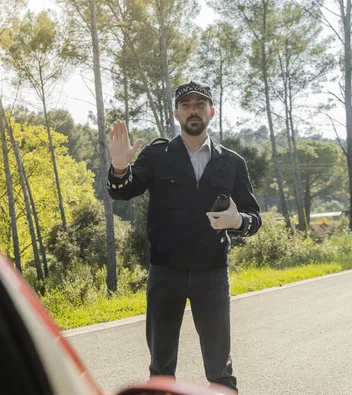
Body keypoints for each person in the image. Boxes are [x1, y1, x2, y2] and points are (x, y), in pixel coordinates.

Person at [106, 80, 262, 393]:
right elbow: (122, 193)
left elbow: (254, 218)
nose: (194, 110)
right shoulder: (157, 155)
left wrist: (237, 221)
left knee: (220, 370)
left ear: (211, 112)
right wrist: (120, 167)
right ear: (177, 113)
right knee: (160, 371)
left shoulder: (231, 162)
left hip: (212, 276)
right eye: (187, 105)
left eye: (200, 104)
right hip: (165, 275)